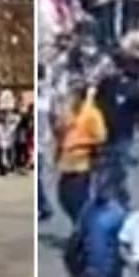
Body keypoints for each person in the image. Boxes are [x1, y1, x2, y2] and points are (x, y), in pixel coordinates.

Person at [56, 88, 108, 224]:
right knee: (64, 197)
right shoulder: (70, 112)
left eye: (72, 95)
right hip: (66, 162)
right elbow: (61, 133)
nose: (70, 98)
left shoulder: (92, 113)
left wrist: (84, 145)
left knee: (78, 199)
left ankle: (83, 231)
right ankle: (80, 226)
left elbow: (101, 136)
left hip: (82, 162)